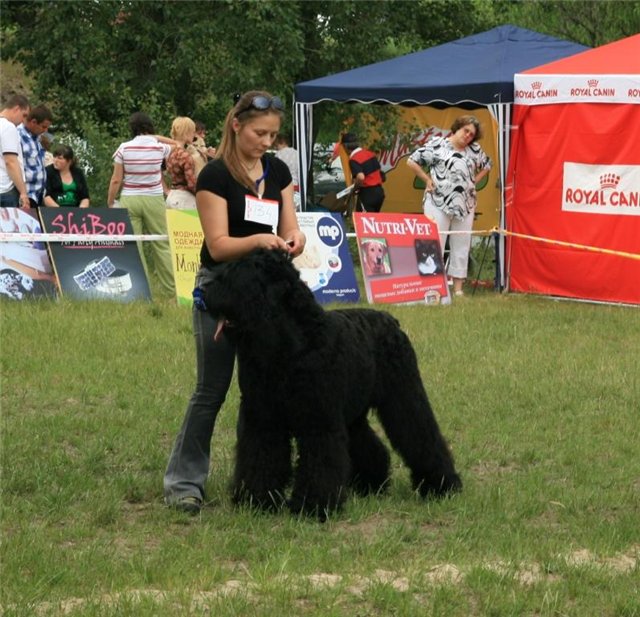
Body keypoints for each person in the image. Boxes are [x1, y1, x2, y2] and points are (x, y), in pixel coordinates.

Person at [164, 90, 306, 514]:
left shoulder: (278, 171)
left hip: (267, 292)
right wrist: (261, 240)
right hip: (222, 290)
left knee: (262, 389)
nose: (267, 141)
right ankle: (184, 483)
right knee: (211, 390)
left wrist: (295, 240)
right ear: (236, 125)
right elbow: (219, 245)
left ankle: (258, 483)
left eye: (273, 134)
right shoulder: (214, 177)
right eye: (260, 133)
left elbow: (290, 225)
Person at [407, 115, 492, 298]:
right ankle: (431, 287)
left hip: (465, 204)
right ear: (457, 128)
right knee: (433, 243)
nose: (468, 136)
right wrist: (427, 179)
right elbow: (412, 161)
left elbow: (487, 165)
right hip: (438, 202)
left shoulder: (474, 149)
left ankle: (458, 289)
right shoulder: (437, 144)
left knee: (461, 245)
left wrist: (473, 181)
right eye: (466, 131)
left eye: (472, 134)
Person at [107, 111, 175, 297]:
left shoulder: (124, 148)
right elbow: (177, 144)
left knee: (133, 246)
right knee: (162, 244)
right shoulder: (159, 147)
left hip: (130, 198)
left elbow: (116, 179)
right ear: (149, 128)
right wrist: (154, 137)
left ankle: (140, 292)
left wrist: (111, 200)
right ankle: (171, 291)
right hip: (154, 198)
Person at [18, 104, 53, 207]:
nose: (46, 130)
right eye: (43, 126)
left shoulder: (37, 138)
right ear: (33, 122)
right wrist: (22, 194)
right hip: (25, 196)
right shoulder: (18, 135)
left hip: (38, 195)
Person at [341, 132, 385, 213]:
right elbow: (381, 174)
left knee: (363, 221)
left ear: (345, 146)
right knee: (373, 221)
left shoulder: (353, 159)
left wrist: (355, 188)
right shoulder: (370, 154)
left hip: (367, 194)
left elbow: (360, 177)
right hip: (379, 193)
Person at [0, 94, 30, 209]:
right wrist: (23, 193)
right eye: (24, 115)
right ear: (16, 108)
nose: (23, 121)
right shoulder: (8, 127)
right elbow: (10, 161)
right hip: (5, 190)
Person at [165, 116, 198, 210]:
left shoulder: (168, 152)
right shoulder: (184, 155)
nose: (194, 135)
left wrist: (166, 190)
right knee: (189, 225)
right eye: (193, 131)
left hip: (171, 196)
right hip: (185, 200)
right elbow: (192, 184)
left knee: (174, 225)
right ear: (186, 132)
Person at [274, 133, 300, 210]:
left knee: (284, 208)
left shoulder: (278, 154)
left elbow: (277, 171)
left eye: (276, 145)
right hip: (295, 184)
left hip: (283, 186)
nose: (276, 148)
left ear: (282, 142)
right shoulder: (297, 153)